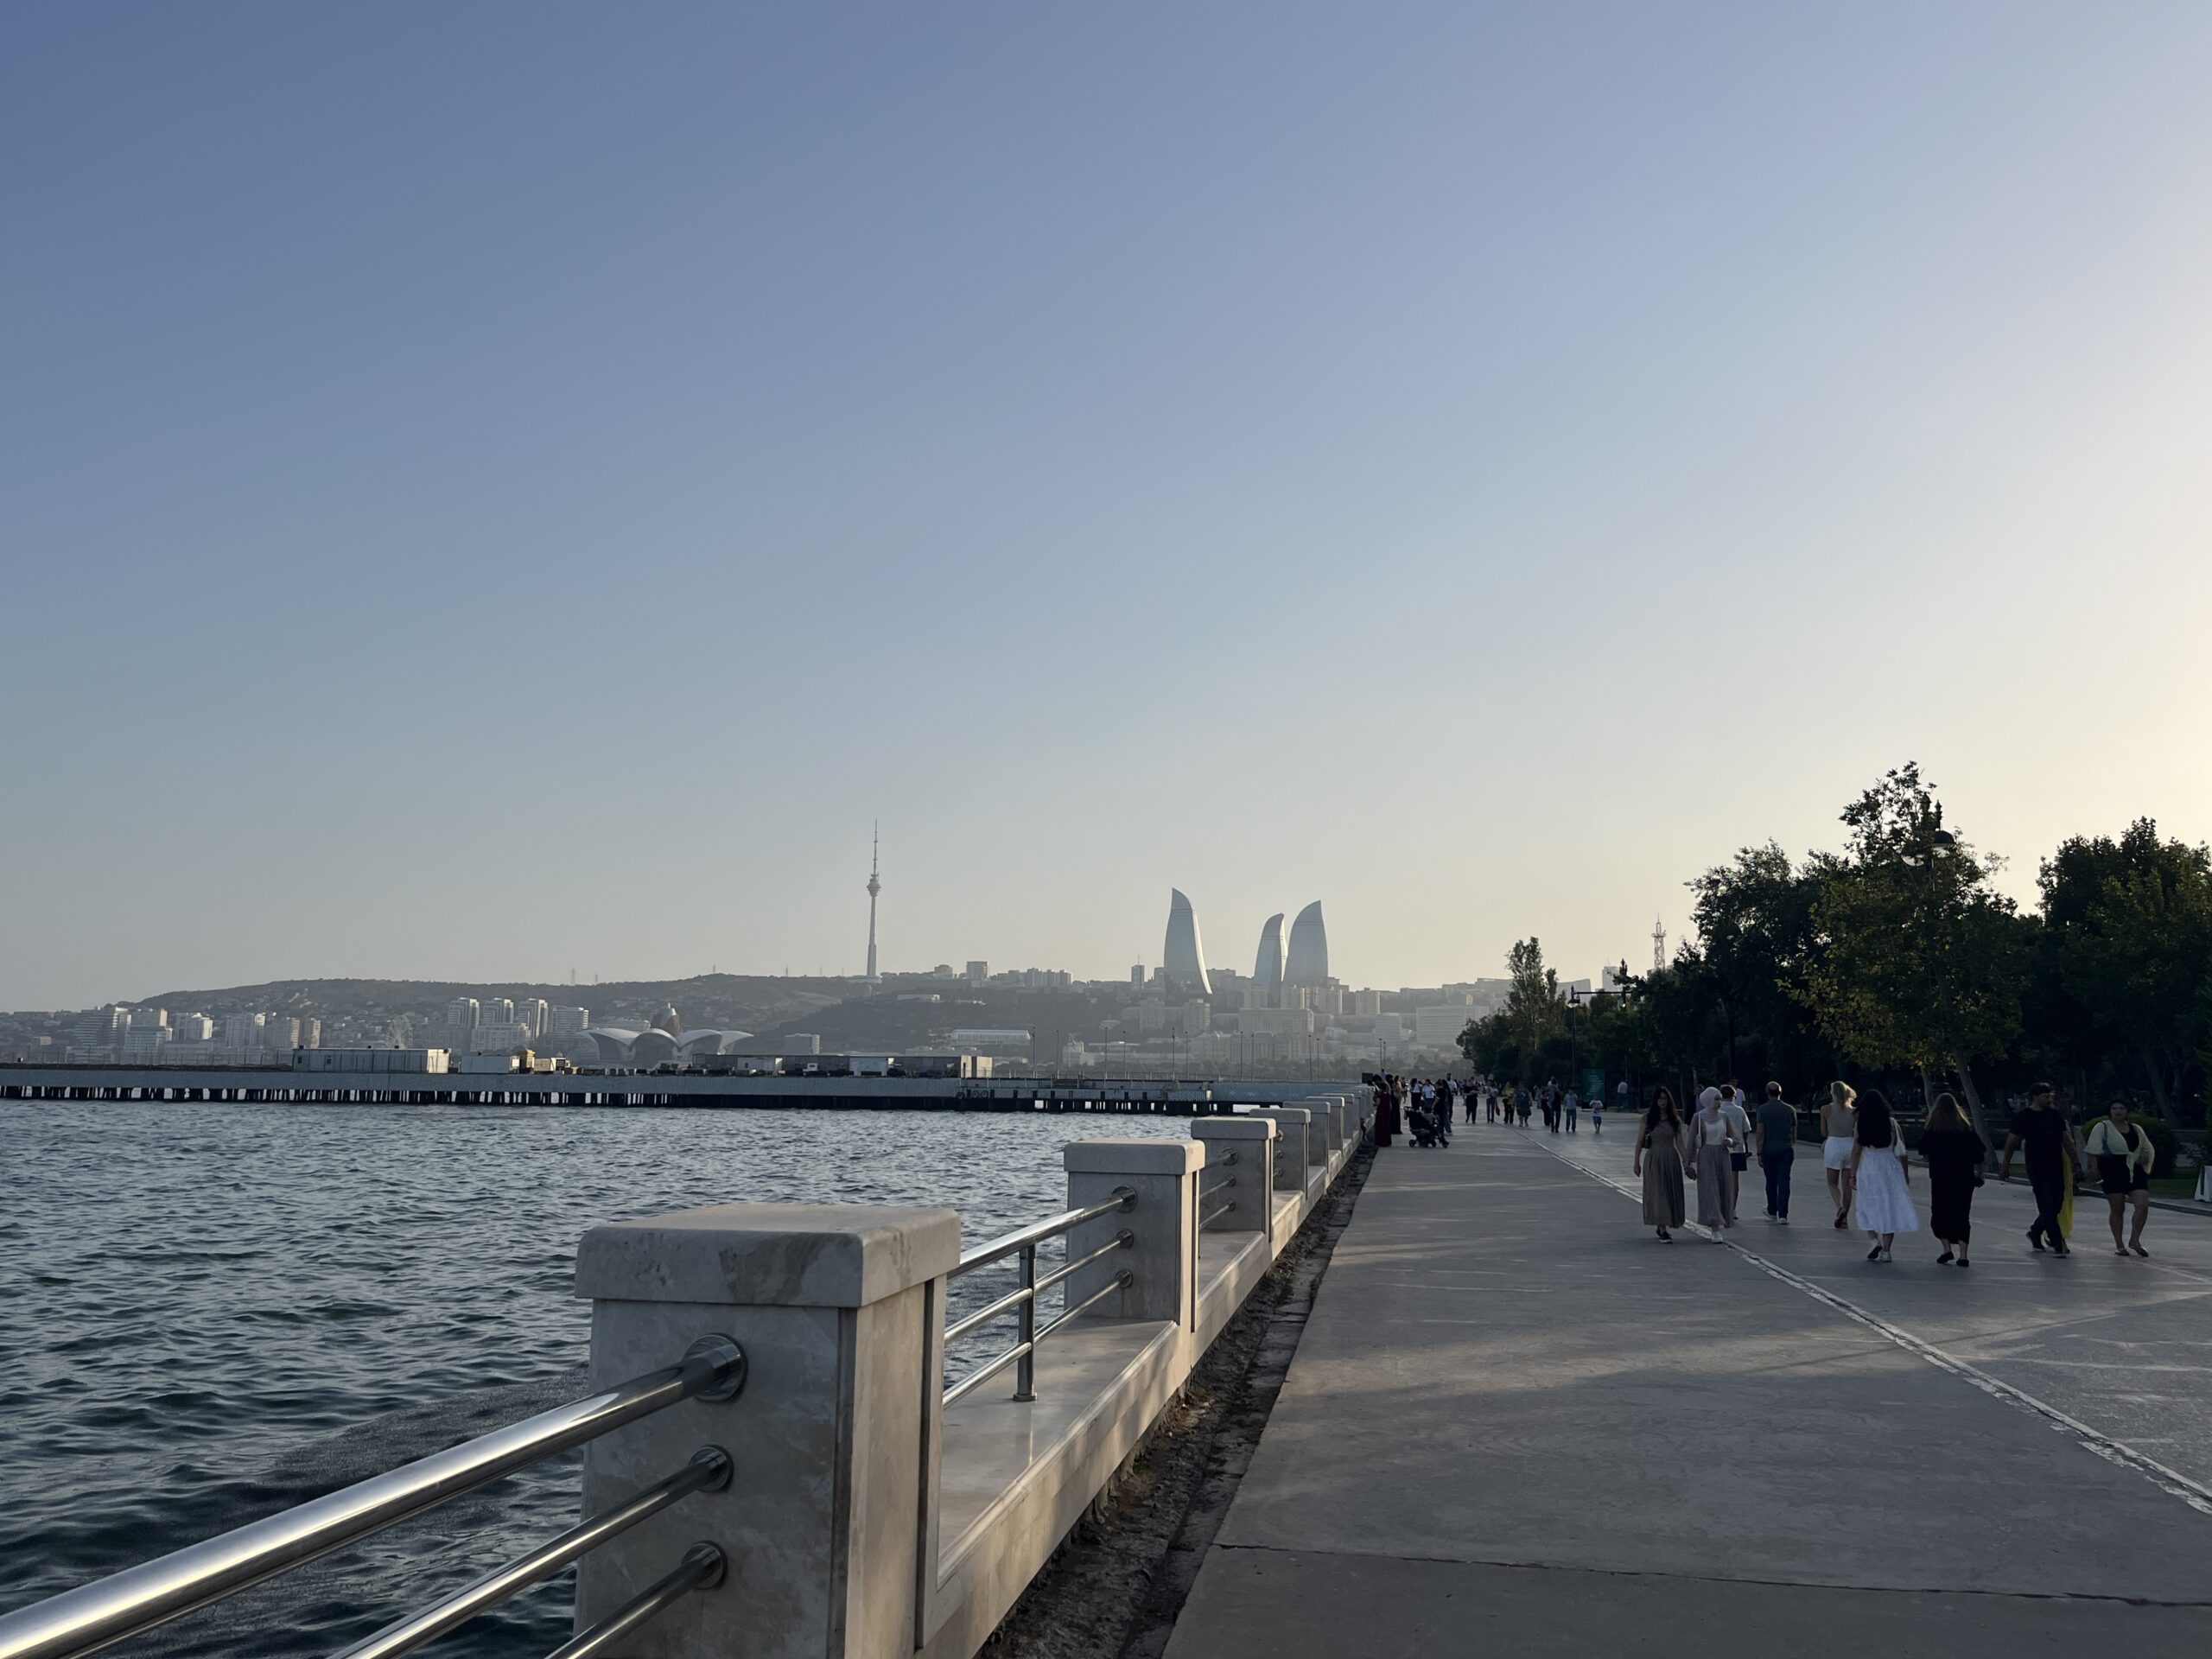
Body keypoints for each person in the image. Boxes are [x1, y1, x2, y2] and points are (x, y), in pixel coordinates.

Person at [2001, 1084, 2085, 1256]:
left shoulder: (2055, 1116)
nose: (2049, 1100)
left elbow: (2066, 1141)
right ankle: (2056, 1242)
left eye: (2050, 1097)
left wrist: (2076, 1163)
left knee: (2056, 1204)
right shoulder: (2023, 1117)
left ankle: (2035, 1232)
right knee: (2046, 1203)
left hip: (2055, 1164)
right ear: (2035, 1097)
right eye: (2045, 1097)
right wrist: (2005, 1165)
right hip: (2036, 1165)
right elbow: (2011, 1142)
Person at [1916, 1093, 1986, 1267]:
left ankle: (1947, 1249)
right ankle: (1963, 1254)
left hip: (1941, 1177)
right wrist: (1979, 1173)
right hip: (1963, 1177)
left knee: (1940, 1213)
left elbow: (1921, 1149)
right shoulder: (1966, 1130)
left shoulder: (1933, 1130)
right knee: (1962, 1214)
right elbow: (1979, 1154)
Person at [1849, 1093, 1919, 1261]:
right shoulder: (1892, 1123)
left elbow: (1856, 1150)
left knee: (1867, 1203)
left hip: (1869, 1166)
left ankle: (1874, 1240)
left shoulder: (1862, 1124)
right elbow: (1901, 1151)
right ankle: (1887, 1251)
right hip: (1889, 1165)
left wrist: (1853, 1174)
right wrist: (1905, 1174)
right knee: (1889, 1207)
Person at [2084, 1101, 2156, 1258]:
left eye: (2122, 1108)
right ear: (2109, 1111)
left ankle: (2135, 1239)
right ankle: (2119, 1244)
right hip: (2112, 1170)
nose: (2118, 1111)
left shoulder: (2136, 1129)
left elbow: (2146, 1146)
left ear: (2127, 1111)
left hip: (2134, 1170)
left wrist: (2144, 1157)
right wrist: (2094, 1168)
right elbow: (2093, 1149)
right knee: (2118, 1210)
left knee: (2142, 1204)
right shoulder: (2102, 1127)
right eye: (2114, 1108)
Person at [1688, 1087, 1745, 1238]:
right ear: (1707, 1100)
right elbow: (1691, 1141)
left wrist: (1730, 1141)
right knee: (1710, 1190)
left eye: (1720, 1099)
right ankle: (1715, 1228)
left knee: (1724, 1188)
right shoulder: (1698, 1117)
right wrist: (1689, 1163)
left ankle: (1724, 1219)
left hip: (1723, 1156)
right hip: (1706, 1156)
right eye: (1716, 1099)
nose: (1719, 1102)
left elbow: (1736, 1138)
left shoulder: (1724, 1117)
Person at [1634, 1089, 1688, 1241]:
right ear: (1655, 1101)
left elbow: (1679, 1142)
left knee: (1669, 1191)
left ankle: (1663, 1224)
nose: (1662, 1102)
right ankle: (1663, 1229)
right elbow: (1639, 1141)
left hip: (1670, 1157)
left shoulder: (1674, 1120)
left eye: (1665, 1099)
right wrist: (1636, 1162)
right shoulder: (1648, 1119)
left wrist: (1686, 1160)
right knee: (1659, 1191)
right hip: (1654, 1158)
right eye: (1660, 1099)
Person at [1754, 1082, 1796, 1223]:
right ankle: (1783, 1214)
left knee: (1771, 1181)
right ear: (1780, 1092)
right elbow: (1794, 1133)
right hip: (1786, 1148)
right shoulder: (1790, 1110)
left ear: (1767, 1092)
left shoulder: (1762, 1110)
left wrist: (1759, 1153)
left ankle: (1772, 1210)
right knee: (1784, 1181)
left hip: (1769, 1149)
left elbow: (1760, 1133)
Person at [1821, 1082, 1859, 1229]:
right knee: (1847, 1184)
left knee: (1832, 1183)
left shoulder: (1826, 1109)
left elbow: (1824, 1132)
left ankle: (1839, 1208)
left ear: (1833, 1093)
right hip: (1850, 1144)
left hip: (1834, 1144)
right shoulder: (1855, 1111)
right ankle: (1845, 1219)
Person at [1719, 1083, 1753, 1210]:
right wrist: (1743, 1142)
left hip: (1720, 1147)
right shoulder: (1740, 1110)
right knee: (1734, 1179)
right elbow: (1746, 1129)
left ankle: (1723, 1205)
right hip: (1737, 1148)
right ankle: (1732, 1208)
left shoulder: (1718, 1110)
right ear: (1734, 1096)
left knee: (1721, 1178)